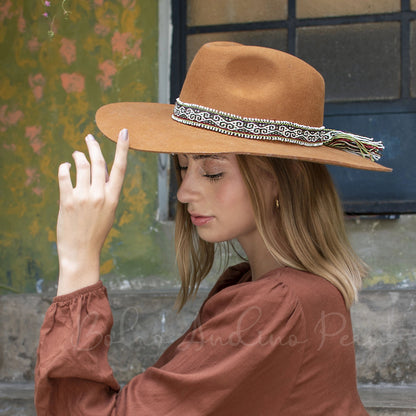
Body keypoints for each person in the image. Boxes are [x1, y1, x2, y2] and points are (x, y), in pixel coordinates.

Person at [35, 42, 391, 415]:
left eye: (213, 171)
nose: (185, 192)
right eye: (184, 167)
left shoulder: (279, 303)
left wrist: (78, 258)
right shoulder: (271, 287)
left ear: (283, 182)